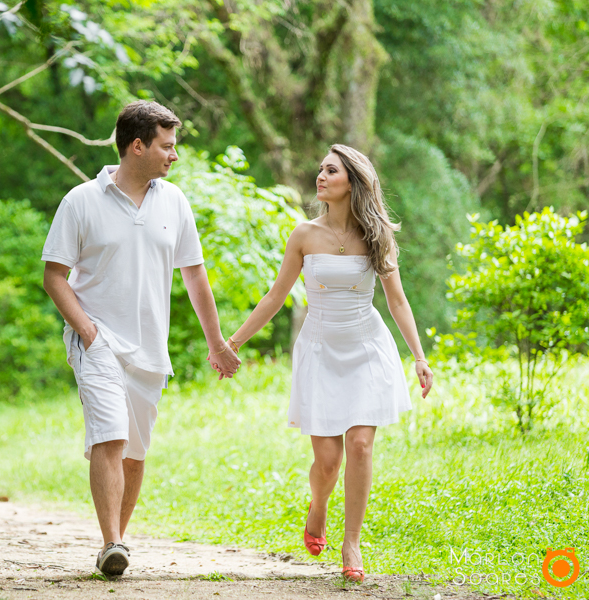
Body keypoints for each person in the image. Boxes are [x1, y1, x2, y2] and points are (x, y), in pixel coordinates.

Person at [41, 100, 241, 576]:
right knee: (110, 435)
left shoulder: (174, 202)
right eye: (167, 146)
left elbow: (195, 277)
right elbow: (54, 275)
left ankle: (119, 540)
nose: (175, 156)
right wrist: (87, 332)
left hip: (150, 348)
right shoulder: (81, 201)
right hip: (99, 342)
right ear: (138, 146)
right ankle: (111, 543)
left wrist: (216, 343)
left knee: (134, 452)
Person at [224, 144, 434, 583]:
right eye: (320, 168)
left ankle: (351, 541)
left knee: (359, 445)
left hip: (366, 347)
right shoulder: (304, 234)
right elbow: (276, 296)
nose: (320, 176)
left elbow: (397, 301)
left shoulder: (376, 236)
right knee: (327, 461)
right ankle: (317, 506)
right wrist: (234, 342)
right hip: (319, 351)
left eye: (331, 170)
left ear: (353, 182)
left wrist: (418, 356)